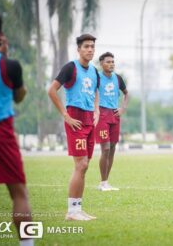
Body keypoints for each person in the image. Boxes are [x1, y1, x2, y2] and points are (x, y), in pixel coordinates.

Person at [0, 10, 34, 246]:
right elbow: (20, 96)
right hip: (0, 132)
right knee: (19, 194)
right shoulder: (9, 65)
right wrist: (4, 55)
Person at [48, 34, 100, 220]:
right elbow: (51, 90)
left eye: (92, 46)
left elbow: (95, 92)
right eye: (86, 46)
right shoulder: (71, 68)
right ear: (78, 49)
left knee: (84, 167)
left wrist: (97, 112)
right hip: (75, 118)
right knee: (81, 164)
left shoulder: (94, 71)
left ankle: (77, 209)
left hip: (88, 120)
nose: (90, 50)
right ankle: (71, 212)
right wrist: (65, 115)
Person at [95, 52, 129, 191]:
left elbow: (126, 93)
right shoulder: (96, 77)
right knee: (106, 148)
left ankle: (106, 182)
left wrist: (123, 108)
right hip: (102, 114)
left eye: (113, 62)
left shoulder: (118, 78)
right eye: (108, 62)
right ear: (102, 64)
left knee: (113, 148)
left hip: (115, 115)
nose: (111, 64)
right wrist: (94, 109)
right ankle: (102, 183)